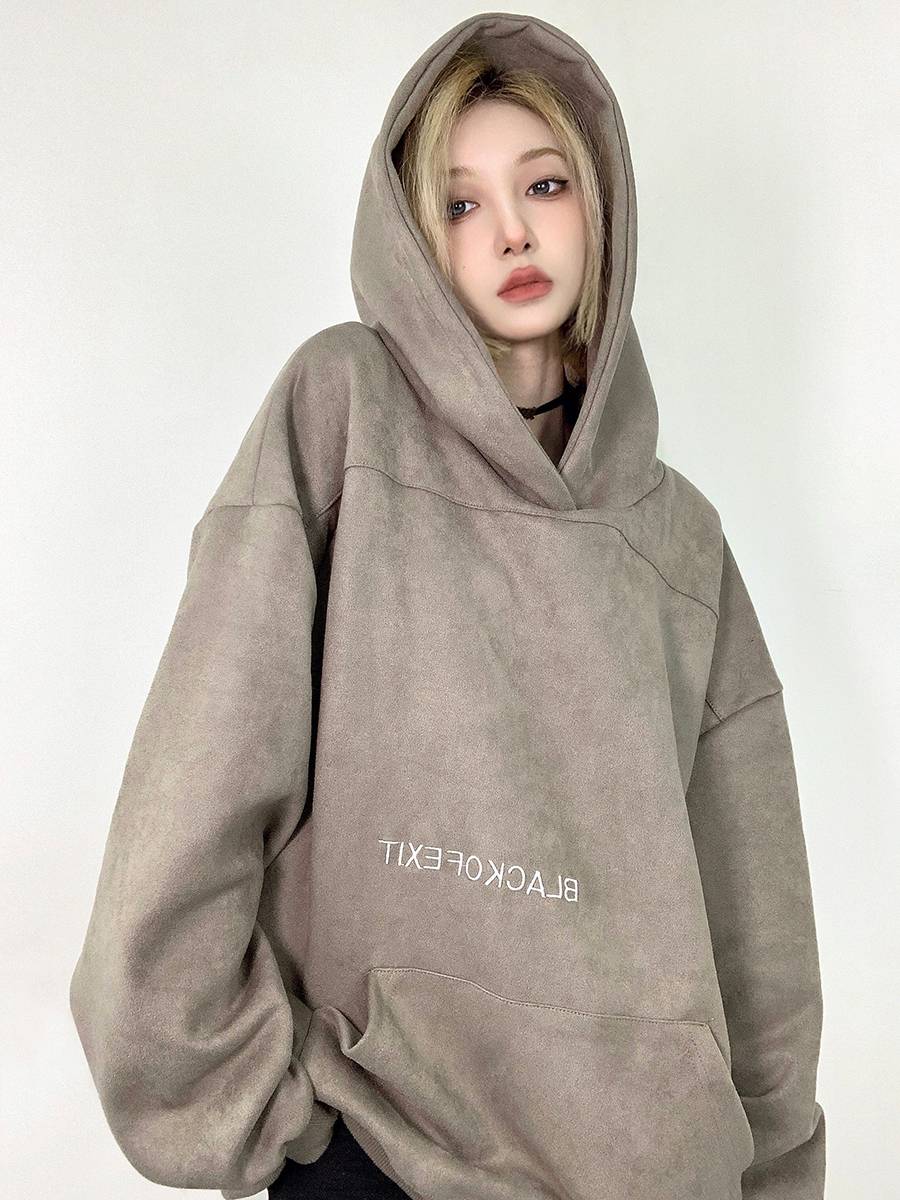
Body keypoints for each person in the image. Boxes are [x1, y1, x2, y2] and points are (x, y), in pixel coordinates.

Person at [69, 12, 827, 1200]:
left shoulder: (681, 541)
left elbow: (759, 931)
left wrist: (773, 1176)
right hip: (379, 1150)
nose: (511, 229)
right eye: (462, 203)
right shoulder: (344, 411)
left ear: (602, 207)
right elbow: (201, 781)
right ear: (416, 238)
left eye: (545, 184)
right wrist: (259, 1111)